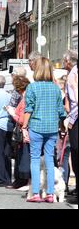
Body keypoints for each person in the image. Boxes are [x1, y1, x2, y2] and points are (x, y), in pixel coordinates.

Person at [23, 58, 66, 203]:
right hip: (52, 128)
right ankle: (50, 193)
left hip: (36, 126)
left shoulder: (32, 88)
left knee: (35, 159)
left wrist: (24, 126)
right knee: (49, 159)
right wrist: (61, 127)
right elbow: (61, 111)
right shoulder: (55, 88)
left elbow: (28, 109)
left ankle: (35, 193)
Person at [6, 75, 31, 190]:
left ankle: (24, 181)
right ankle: (22, 180)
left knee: (23, 156)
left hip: (24, 131)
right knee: (21, 156)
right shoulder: (26, 97)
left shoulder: (25, 99)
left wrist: (12, 113)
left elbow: (21, 119)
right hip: (25, 131)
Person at [63, 50, 78, 203]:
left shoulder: (73, 75)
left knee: (76, 152)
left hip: (76, 117)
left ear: (68, 61)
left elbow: (73, 101)